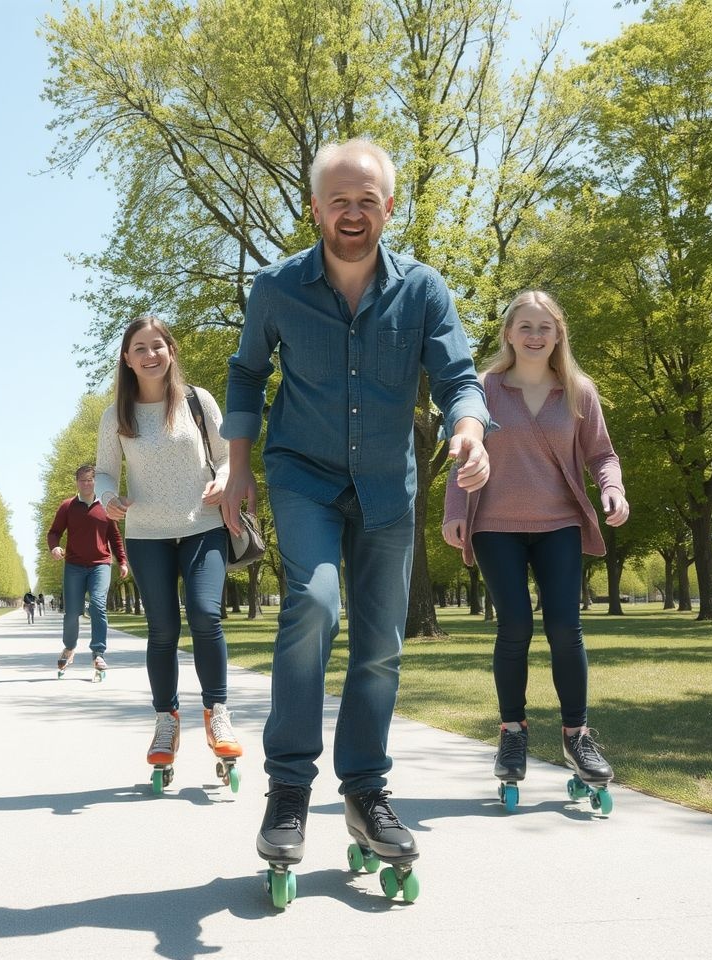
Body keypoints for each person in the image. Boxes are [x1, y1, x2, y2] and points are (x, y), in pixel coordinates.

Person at [221, 138, 492, 900]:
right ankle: (288, 792)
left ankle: (366, 791)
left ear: (389, 208)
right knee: (311, 603)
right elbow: (246, 372)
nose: (352, 212)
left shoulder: (424, 290)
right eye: (338, 199)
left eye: (367, 199)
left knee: (379, 645)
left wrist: (468, 432)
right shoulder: (276, 288)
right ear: (314, 207)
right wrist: (237, 469)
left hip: (385, 486)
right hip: (302, 474)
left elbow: (459, 378)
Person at [442, 289, 629, 812]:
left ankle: (577, 735)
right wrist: (455, 512)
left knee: (566, 628)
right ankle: (512, 732)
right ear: (508, 333)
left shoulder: (577, 391)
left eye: (544, 327)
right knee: (515, 627)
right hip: (495, 524)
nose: (534, 335)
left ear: (558, 334)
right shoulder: (484, 389)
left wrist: (612, 488)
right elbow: (464, 453)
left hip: (559, 523)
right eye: (524, 326)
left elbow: (602, 454)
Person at [96, 315, 243, 792]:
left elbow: (224, 456)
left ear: (171, 351)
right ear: (126, 358)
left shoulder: (198, 401)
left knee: (205, 613)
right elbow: (103, 473)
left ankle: (217, 711)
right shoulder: (116, 414)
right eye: (140, 348)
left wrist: (223, 480)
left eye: (157, 345)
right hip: (146, 534)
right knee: (162, 628)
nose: (150, 354)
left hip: (202, 526)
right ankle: (166, 718)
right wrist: (107, 498)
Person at [47, 464, 128, 677]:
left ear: (96, 482)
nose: (86, 484)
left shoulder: (106, 508)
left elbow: (115, 537)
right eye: (82, 480)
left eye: (90, 480)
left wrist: (122, 561)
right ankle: (70, 647)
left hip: (100, 565)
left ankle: (98, 652)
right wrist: (54, 546)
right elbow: (54, 532)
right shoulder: (67, 506)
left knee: (98, 605)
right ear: (77, 482)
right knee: (72, 613)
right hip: (74, 566)